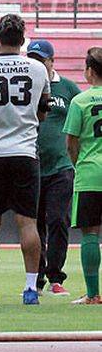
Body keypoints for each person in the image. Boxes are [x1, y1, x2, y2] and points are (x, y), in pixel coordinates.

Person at [0, 14, 50, 306]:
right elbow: (43, 110)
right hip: (26, 151)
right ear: (23, 39)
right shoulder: (38, 69)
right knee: (28, 223)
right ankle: (30, 290)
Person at [28, 39, 80, 296]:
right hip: (31, 163)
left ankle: (55, 277)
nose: (36, 64)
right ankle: (35, 278)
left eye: (40, 60)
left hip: (61, 165)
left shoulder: (68, 88)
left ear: (51, 62)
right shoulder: (25, 86)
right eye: (32, 60)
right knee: (33, 224)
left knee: (58, 219)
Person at [63, 47, 102, 305]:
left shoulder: (80, 101)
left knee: (90, 233)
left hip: (90, 173)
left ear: (89, 71)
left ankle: (92, 294)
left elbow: (71, 143)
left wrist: (80, 164)